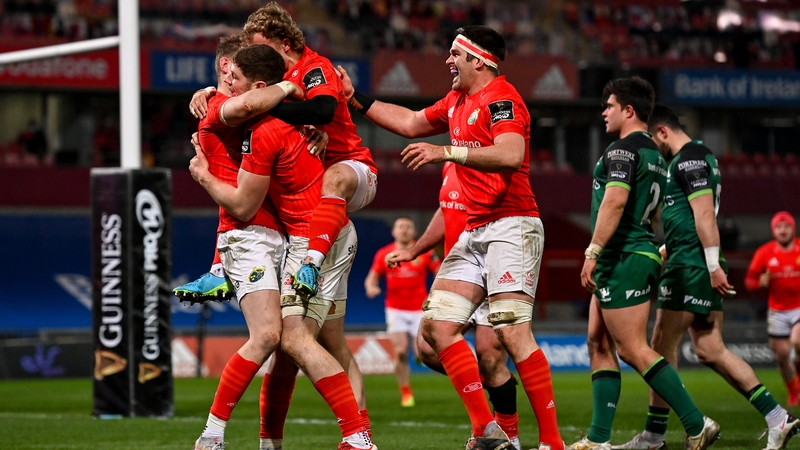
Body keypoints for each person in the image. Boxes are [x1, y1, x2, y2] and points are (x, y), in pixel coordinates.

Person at [342, 25, 563, 450]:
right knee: (436, 330)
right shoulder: (457, 101)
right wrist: (356, 99)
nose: (448, 62)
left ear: (477, 60)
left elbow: (512, 154)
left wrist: (448, 151)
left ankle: (553, 444)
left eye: (454, 55)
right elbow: (408, 122)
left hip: (512, 225)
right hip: (477, 230)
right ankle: (489, 432)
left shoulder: (502, 98)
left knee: (513, 336)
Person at [189, 44, 374, 450]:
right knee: (290, 343)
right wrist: (289, 90)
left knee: (289, 340)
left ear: (257, 86)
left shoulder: (265, 127)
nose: (228, 82)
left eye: (235, 77)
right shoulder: (235, 114)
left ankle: (355, 437)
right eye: (226, 74)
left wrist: (201, 175)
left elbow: (243, 201)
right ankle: (247, 438)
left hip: (309, 239)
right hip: (282, 236)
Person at [611, 105, 798, 450]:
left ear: (663, 132)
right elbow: (690, 218)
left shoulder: (688, 159)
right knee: (711, 349)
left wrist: (711, 265)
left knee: (659, 347)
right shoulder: (699, 158)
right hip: (690, 258)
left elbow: (704, 217)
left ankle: (655, 436)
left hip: (691, 266)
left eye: (655, 140)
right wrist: (666, 252)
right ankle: (777, 417)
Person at [184, 1, 378, 299]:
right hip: (318, 203)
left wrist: (278, 110)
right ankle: (218, 268)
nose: (254, 55)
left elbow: (324, 110)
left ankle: (310, 263)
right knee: (324, 342)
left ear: (284, 44)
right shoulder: (277, 80)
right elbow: (246, 99)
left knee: (333, 178)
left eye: (260, 47)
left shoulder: (314, 67)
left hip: (352, 169)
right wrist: (211, 93)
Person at [572, 78, 718, 450]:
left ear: (628, 110)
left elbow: (615, 202)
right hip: (627, 254)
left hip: (624, 255)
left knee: (633, 349)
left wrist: (593, 250)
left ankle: (696, 423)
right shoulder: (655, 154)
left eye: (609, 105)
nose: (603, 112)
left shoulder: (622, 151)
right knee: (597, 341)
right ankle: (598, 439)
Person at [186, 40, 289, 450]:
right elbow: (245, 106)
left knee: (290, 346)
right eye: (235, 72)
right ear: (228, 68)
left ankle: (270, 442)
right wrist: (290, 88)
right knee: (266, 336)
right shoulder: (218, 109)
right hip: (247, 234)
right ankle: (211, 434)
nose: (236, 80)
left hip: (279, 233)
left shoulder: (246, 104)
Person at [386, 161, 522, 450]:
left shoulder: (491, 153)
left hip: (490, 263)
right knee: (425, 347)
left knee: (490, 355)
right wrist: (415, 250)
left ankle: (507, 436)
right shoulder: (451, 161)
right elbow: (447, 207)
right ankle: (493, 418)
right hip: (459, 269)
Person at [364, 216, 440, 407]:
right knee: (399, 352)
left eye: (408, 227)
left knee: (423, 352)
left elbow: (439, 273)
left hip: (419, 310)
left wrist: (437, 294)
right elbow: (371, 278)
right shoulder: (384, 254)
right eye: (400, 226)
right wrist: (371, 287)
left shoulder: (424, 252)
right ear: (394, 231)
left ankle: (418, 355)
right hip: (395, 309)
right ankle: (406, 393)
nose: (404, 230)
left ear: (414, 232)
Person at [746, 212, 800, 407]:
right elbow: (750, 280)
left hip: (798, 307)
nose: (782, 230)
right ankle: (794, 391)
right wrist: (759, 283)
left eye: (786, 226)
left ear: (793, 228)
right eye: (779, 227)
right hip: (777, 310)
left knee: (797, 341)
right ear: (773, 231)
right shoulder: (765, 252)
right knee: (782, 356)